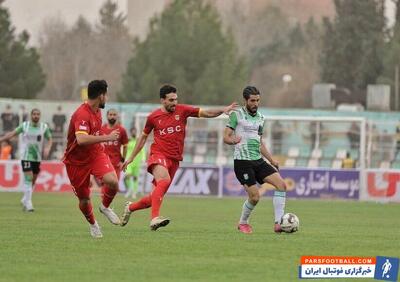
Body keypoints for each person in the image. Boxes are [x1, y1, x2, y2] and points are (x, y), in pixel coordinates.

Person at [120, 84, 238, 231]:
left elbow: (206, 113)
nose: (174, 103)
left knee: (153, 198)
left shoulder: (183, 110)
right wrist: (131, 158)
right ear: (162, 100)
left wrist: (223, 110)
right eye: (171, 100)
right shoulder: (153, 117)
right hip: (158, 155)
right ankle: (154, 218)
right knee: (164, 180)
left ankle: (130, 207)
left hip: (175, 159)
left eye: (175, 99)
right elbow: (143, 138)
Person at [223, 86, 287, 234]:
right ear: (246, 100)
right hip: (242, 162)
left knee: (281, 185)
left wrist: (271, 160)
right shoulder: (236, 115)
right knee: (255, 197)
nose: (255, 103)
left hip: (258, 160)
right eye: (252, 100)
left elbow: (260, 142)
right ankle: (243, 223)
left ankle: (279, 223)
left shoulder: (261, 118)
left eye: (258, 100)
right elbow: (225, 137)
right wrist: (233, 141)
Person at [63, 80, 121, 238]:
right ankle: (93, 224)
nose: (107, 98)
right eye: (106, 95)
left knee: (113, 181)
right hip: (76, 161)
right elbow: (81, 140)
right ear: (101, 96)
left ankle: (105, 207)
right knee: (84, 199)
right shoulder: (82, 114)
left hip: (95, 154)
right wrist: (106, 137)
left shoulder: (97, 110)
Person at [0, 109, 53, 212]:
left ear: (40, 116)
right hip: (26, 156)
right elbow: (12, 134)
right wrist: (1, 139)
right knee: (28, 178)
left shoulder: (44, 127)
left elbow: (50, 139)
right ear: (31, 115)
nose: (36, 116)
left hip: (37, 157)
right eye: (34, 114)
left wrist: (48, 148)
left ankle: (25, 198)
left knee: (33, 179)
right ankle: (28, 204)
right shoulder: (25, 126)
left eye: (38, 114)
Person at [100, 108, 128, 201]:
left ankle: (105, 204)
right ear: (107, 116)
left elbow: (125, 146)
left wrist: (122, 160)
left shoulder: (122, 130)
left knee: (114, 185)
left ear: (117, 116)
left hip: (116, 163)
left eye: (114, 114)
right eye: (110, 114)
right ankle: (104, 204)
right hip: (104, 162)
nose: (112, 116)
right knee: (105, 184)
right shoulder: (101, 129)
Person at [124, 127, 146, 199]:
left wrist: (143, 159)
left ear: (136, 132)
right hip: (129, 161)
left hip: (137, 161)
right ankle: (130, 190)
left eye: (134, 131)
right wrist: (123, 158)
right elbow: (124, 148)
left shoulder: (138, 140)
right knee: (128, 175)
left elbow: (142, 150)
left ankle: (134, 192)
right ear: (131, 132)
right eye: (132, 131)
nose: (134, 132)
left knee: (135, 178)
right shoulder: (128, 140)